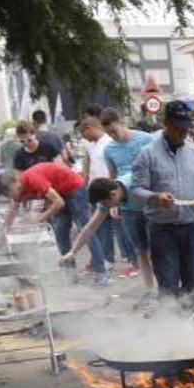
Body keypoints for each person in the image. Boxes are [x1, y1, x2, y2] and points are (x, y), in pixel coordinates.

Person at [131, 100, 194, 303]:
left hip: (192, 227)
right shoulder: (147, 154)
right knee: (168, 283)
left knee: (192, 282)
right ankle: (171, 328)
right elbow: (135, 191)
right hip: (162, 229)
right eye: (178, 128)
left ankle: (191, 325)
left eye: (186, 129)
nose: (183, 134)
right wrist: (154, 197)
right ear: (166, 123)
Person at [0, 163, 95, 276]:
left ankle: (100, 270)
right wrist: (1, 239)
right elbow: (11, 214)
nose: (10, 197)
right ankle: (71, 274)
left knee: (85, 230)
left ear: (14, 184)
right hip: (60, 192)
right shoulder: (18, 190)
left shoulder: (32, 179)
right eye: (6, 195)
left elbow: (59, 202)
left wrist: (41, 218)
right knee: (61, 235)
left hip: (74, 187)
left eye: (8, 193)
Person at [100, 107, 156, 289]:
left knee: (158, 249)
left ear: (121, 122)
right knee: (141, 251)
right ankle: (150, 289)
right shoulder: (109, 150)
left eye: (114, 131)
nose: (113, 136)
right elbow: (112, 175)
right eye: (108, 134)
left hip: (149, 203)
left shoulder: (146, 139)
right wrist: (112, 204)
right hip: (128, 207)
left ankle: (166, 289)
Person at [77, 116, 114, 277]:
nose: (85, 138)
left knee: (103, 228)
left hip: (106, 191)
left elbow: (109, 169)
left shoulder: (107, 144)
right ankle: (102, 258)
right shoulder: (97, 145)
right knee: (100, 227)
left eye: (84, 134)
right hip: (98, 192)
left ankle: (107, 258)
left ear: (89, 128)